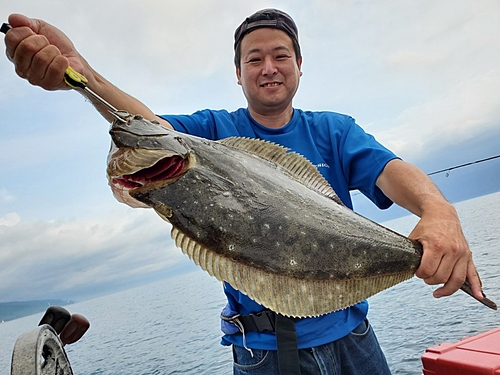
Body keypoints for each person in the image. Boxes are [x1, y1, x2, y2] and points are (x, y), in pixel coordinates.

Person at [4, 9, 485, 375]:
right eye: (254, 58)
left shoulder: (335, 132)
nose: (269, 67)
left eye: (280, 56)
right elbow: (145, 128)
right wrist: (82, 75)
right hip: (266, 354)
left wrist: (438, 211)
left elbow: (392, 171)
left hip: (355, 339)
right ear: (239, 73)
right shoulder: (211, 133)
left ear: (299, 66)